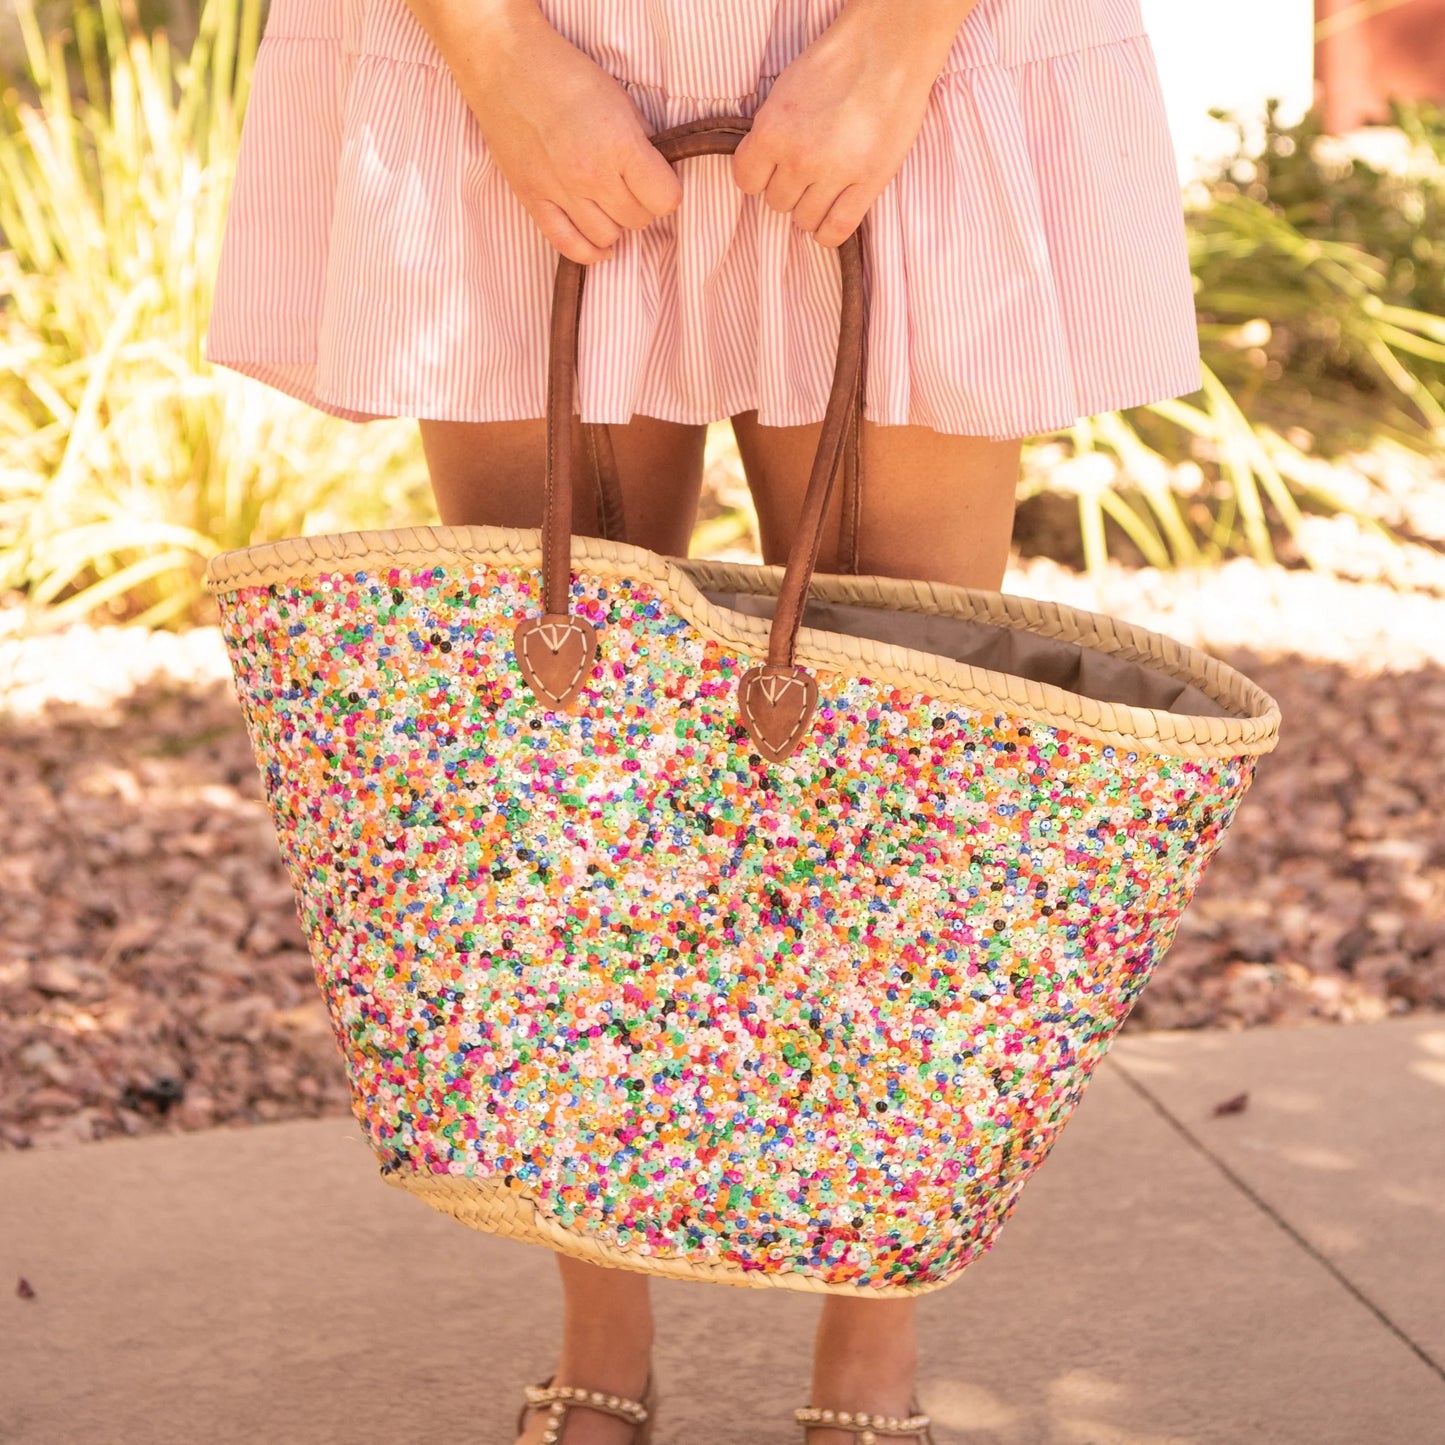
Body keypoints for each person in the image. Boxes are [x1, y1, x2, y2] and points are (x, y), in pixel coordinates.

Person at [204, 1, 1201, 1440]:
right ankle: (600, 1336)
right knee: (560, 760)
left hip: (904, 42)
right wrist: (490, 50)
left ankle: (870, 1351)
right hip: (518, 40)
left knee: (907, 755)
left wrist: (897, 45)